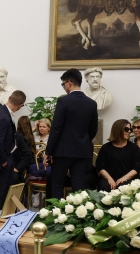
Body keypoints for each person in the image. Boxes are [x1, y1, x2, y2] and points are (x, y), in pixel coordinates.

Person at [44, 68, 98, 200]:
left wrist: (49, 151)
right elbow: (93, 129)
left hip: (62, 151)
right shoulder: (91, 104)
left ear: (69, 83)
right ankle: (77, 216)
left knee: (57, 185)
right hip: (82, 152)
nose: (63, 88)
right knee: (78, 187)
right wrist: (83, 140)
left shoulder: (64, 101)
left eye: (63, 84)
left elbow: (56, 128)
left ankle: (56, 215)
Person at [0, 90, 27, 211]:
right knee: (1, 193)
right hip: (2, 160)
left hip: (2, 157)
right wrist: (3, 161)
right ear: (20, 105)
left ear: (10, 97)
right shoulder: (4, 117)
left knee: (2, 190)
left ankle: (2, 216)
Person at [96, 119, 140, 191]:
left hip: (128, 178)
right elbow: (100, 166)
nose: (129, 132)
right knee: (105, 187)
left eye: (130, 129)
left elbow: (138, 167)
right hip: (108, 178)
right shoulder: (106, 147)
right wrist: (109, 179)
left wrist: (124, 178)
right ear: (118, 130)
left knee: (123, 187)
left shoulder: (133, 148)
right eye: (126, 129)